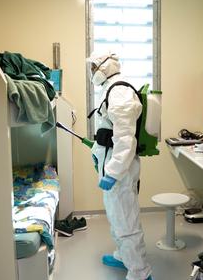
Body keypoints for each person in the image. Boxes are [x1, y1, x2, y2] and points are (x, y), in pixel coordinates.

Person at [86, 51, 153, 280]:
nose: (92, 73)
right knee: (116, 217)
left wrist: (113, 171)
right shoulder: (110, 89)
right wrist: (98, 154)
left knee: (126, 220)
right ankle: (124, 257)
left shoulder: (120, 91)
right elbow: (108, 131)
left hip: (120, 170)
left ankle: (141, 272)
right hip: (112, 164)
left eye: (94, 68)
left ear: (105, 67)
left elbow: (125, 138)